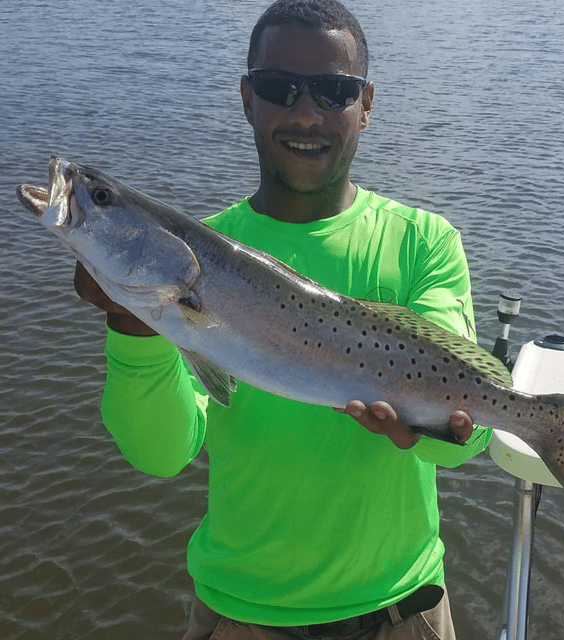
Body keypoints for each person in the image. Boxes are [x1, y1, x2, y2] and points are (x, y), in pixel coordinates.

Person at [74, 1, 492, 638]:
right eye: (279, 87)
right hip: (240, 613)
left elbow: (473, 433)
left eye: (334, 91)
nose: (305, 113)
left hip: (402, 611)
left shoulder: (423, 243)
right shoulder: (202, 254)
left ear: (367, 103)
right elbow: (160, 454)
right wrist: (135, 322)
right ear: (247, 97)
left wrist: (438, 430)